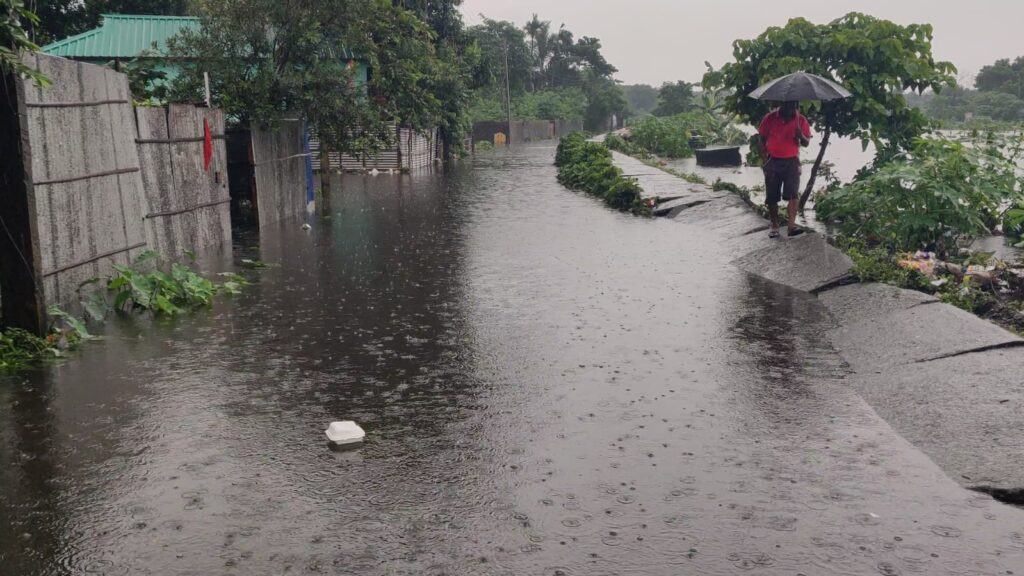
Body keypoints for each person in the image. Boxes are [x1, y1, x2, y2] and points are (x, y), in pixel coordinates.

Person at [758, 101, 811, 238]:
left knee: (793, 194)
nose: (790, 109)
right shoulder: (770, 118)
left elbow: (806, 143)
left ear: (796, 106)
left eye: (793, 106)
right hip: (773, 160)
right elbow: (761, 139)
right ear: (782, 104)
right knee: (772, 196)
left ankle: (791, 226)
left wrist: (801, 135)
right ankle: (774, 226)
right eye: (787, 105)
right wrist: (765, 161)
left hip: (792, 161)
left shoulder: (801, 120)